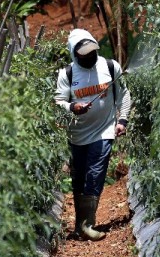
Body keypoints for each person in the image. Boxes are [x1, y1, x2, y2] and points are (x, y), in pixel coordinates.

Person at [55, 29, 132, 241]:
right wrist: (72, 107)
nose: (90, 56)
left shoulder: (110, 66)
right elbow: (58, 101)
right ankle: (80, 225)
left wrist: (122, 120)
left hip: (104, 130)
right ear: (74, 54)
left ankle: (88, 224)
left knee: (96, 172)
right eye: (84, 54)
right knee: (79, 177)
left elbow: (123, 94)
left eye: (92, 52)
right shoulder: (67, 75)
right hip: (77, 134)